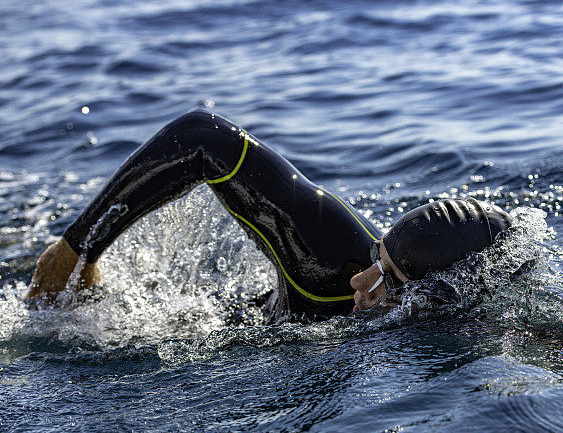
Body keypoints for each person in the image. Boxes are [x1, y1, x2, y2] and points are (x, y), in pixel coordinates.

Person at [25, 110, 512, 320]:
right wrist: (76, 249)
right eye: (375, 257)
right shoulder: (329, 257)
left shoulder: (459, 325)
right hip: (225, 325)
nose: (359, 281)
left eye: (387, 279)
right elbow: (202, 136)